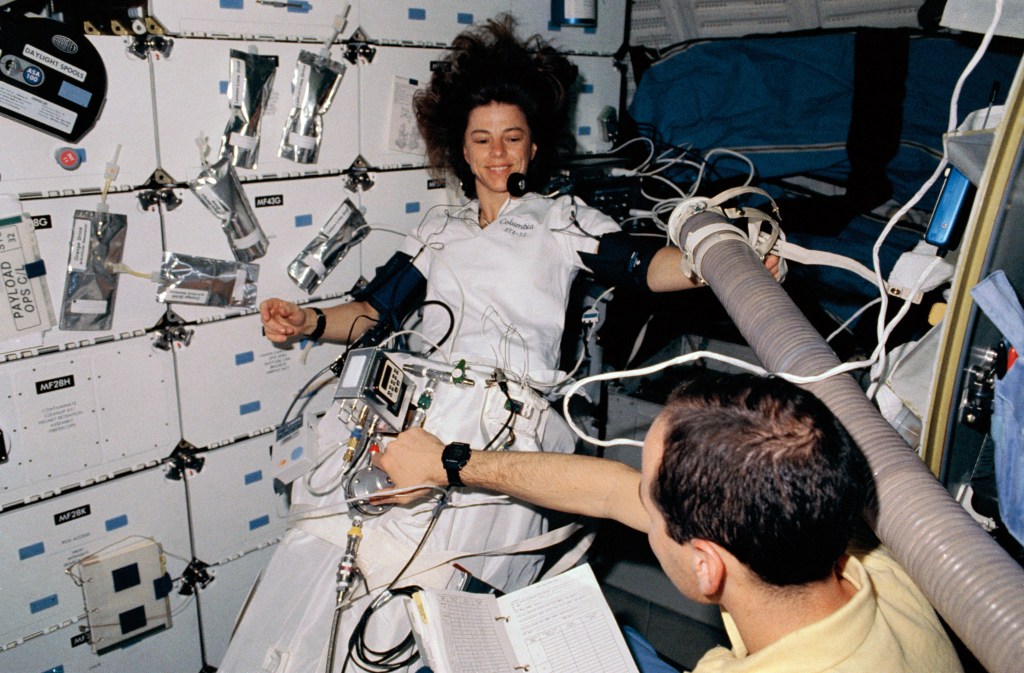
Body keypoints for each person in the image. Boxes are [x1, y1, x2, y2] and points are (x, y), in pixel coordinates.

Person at [222, 16, 780, 673]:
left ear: (534, 147)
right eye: (481, 139)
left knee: (428, 598)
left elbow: (643, 266)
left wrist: (718, 261)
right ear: (460, 148)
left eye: (511, 138)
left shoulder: (561, 221)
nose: (496, 154)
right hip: (412, 411)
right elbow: (375, 311)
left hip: (497, 429)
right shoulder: (439, 226)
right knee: (324, 550)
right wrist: (309, 321)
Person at [377, 369, 965, 673]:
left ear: (706, 566)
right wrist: (451, 464)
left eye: (652, 506)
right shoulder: (874, 562)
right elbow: (611, 493)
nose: (637, 502)